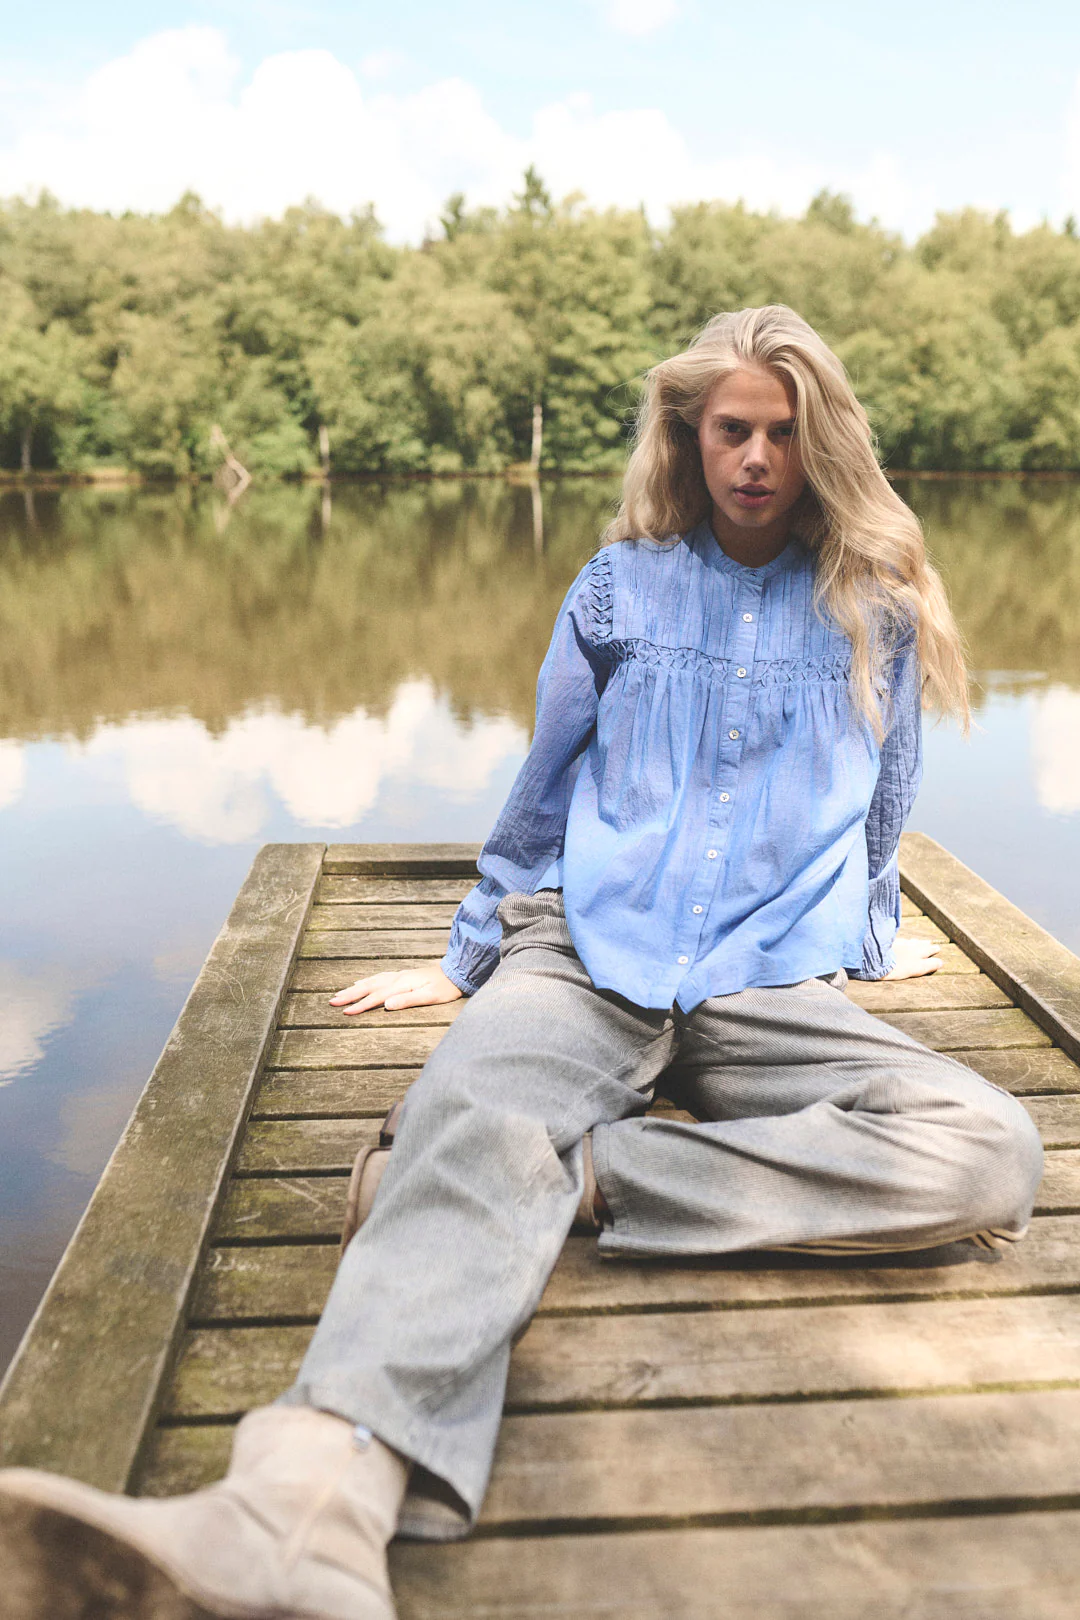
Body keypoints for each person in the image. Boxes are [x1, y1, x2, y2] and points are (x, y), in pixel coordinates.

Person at [0, 305, 1044, 1620]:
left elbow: (887, 800)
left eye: (786, 433)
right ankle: (303, 1513)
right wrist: (466, 956)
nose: (758, 458)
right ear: (688, 432)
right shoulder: (618, 588)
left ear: (821, 442)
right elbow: (543, 792)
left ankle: (586, 1177)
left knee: (991, 1151)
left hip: (773, 979)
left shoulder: (872, 607)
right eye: (734, 429)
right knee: (473, 1102)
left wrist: (875, 940)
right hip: (591, 951)